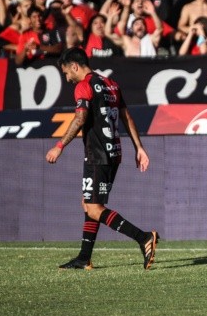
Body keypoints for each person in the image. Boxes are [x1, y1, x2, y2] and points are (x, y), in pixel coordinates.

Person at [45, 47, 158, 270]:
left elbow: (80, 118)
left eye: (66, 72)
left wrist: (59, 146)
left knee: (94, 208)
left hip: (97, 154)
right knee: (88, 204)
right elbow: (126, 116)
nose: (67, 78)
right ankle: (84, 257)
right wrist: (139, 147)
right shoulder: (111, 84)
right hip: (113, 152)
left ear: (75, 66)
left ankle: (143, 237)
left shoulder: (83, 85)